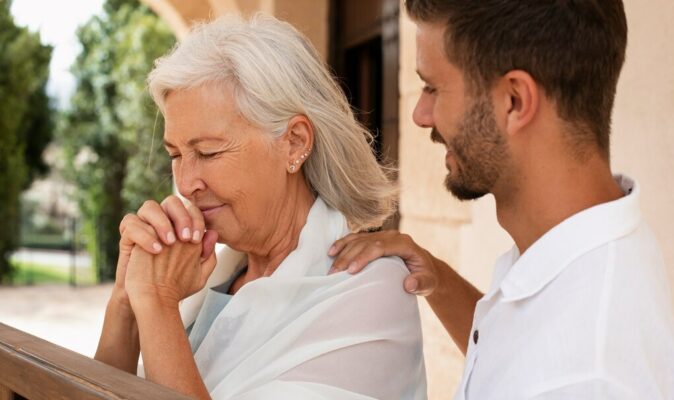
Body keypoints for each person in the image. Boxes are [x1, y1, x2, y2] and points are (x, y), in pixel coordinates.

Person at [329, 1, 674, 399]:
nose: (420, 114)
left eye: (432, 87)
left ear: (514, 101)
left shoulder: (585, 378)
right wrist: (438, 276)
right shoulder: (586, 239)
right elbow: (517, 356)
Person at [93, 15, 427, 400]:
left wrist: (157, 304)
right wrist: (127, 303)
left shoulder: (371, 292)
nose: (186, 183)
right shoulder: (219, 276)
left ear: (294, 142)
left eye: (208, 152)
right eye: (175, 154)